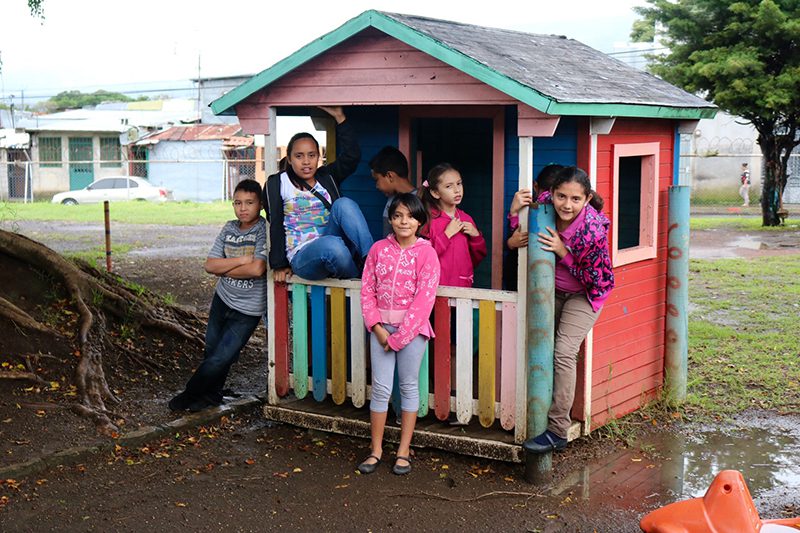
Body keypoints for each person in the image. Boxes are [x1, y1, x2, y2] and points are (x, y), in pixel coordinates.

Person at [523, 166, 615, 453]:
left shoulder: (592, 231)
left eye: (575, 199)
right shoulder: (546, 207)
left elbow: (594, 278)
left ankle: (557, 430)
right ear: (551, 194)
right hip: (553, 291)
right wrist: (516, 211)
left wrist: (562, 252)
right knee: (539, 345)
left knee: (563, 352)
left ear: (586, 199)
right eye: (561, 196)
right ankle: (532, 408)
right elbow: (522, 230)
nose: (567, 204)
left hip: (586, 294)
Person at [357, 193, 440, 476]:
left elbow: (424, 299)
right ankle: (376, 450)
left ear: (420, 221)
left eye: (411, 216)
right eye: (398, 216)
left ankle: (403, 451)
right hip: (380, 330)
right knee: (380, 388)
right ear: (390, 219)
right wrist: (378, 329)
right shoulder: (378, 249)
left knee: (408, 387)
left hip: (413, 332)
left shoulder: (427, 253)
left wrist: (399, 337)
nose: (404, 221)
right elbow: (367, 290)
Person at [169, 179, 267, 412]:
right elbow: (210, 266)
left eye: (249, 203)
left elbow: (257, 269)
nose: (242, 208)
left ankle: (190, 393)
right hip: (222, 300)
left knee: (222, 357)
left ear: (260, 205)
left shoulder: (264, 230)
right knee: (212, 351)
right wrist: (242, 260)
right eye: (237, 203)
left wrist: (227, 266)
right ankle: (211, 396)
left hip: (248, 309)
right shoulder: (229, 228)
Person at [264, 106, 373, 282]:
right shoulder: (277, 183)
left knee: (344, 204)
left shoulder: (326, 177)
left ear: (319, 157)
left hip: (336, 244)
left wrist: (340, 117)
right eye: (299, 156)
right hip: (303, 255)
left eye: (311, 155)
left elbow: (352, 156)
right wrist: (278, 264)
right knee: (333, 246)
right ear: (290, 159)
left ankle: (372, 263)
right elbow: (275, 222)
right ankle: (360, 276)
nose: (306, 161)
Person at [419, 163, 487, 287]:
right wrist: (446, 234)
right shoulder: (428, 219)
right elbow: (423, 257)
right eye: (449, 186)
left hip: (463, 287)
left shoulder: (466, 218)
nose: (457, 190)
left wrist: (476, 236)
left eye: (459, 183)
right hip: (435, 289)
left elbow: (477, 258)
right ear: (435, 193)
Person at [503, 164, 564, 290]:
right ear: (535, 186)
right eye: (546, 196)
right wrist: (514, 212)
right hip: (520, 277)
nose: (549, 202)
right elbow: (510, 242)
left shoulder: (568, 214)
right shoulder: (527, 207)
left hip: (554, 281)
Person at [369, 146, 416, 236]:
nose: (376, 186)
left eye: (377, 180)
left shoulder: (419, 198)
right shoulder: (391, 199)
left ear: (390, 176)